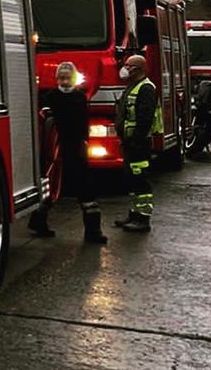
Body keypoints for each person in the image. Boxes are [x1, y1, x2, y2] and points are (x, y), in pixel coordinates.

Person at [29, 61, 107, 244]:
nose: (64, 81)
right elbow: (44, 124)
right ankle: (38, 222)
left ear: (73, 79)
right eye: (61, 78)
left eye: (67, 78)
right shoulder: (49, 97)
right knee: (50, 187)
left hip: (75, 150)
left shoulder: (79, 98)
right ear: (57, 79)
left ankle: (93, 231)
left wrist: (84, 143)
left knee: (86, 189)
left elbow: (83, 124)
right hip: (54, 152)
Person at [114, 53, 162, 233]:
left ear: (138, 69)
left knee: (140, 180)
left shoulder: (146, 89)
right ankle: (134, 214)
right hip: (129, 143)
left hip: (138, 145)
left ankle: (143, 219)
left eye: (128, 65)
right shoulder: (132, 86)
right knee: (131, 179)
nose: (124, 69)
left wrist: (135, 140)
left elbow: (145, 119)